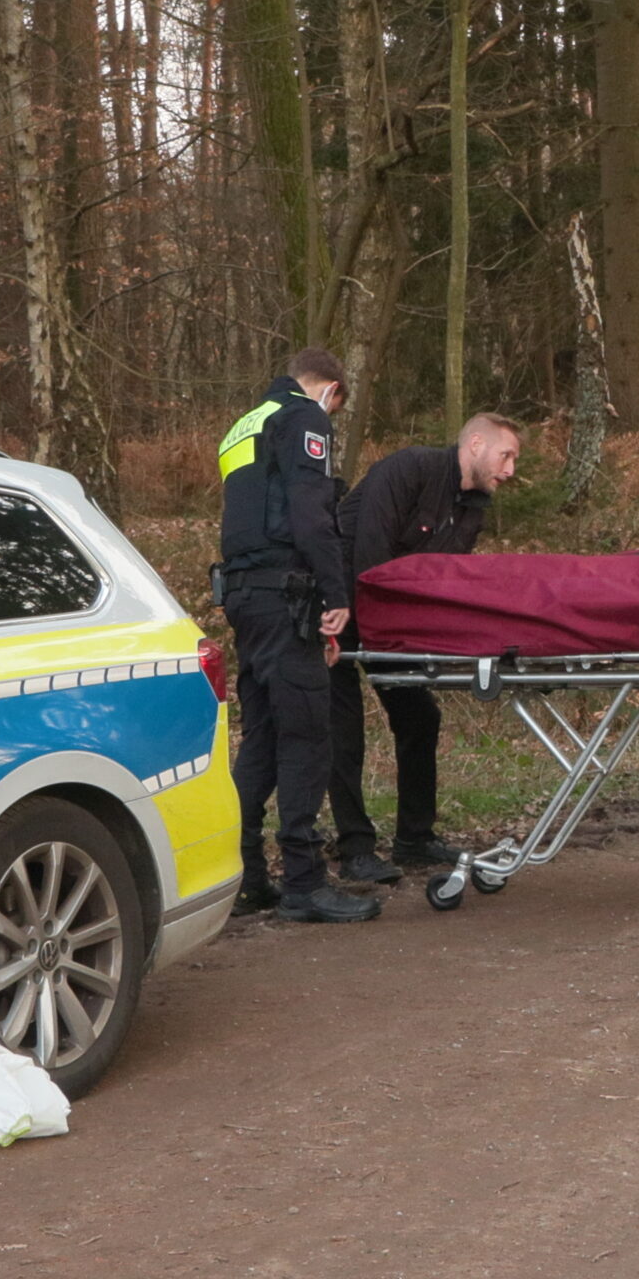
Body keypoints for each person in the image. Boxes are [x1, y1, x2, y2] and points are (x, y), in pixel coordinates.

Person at [215, 347, 380, 924]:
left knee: (261, 733)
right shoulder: (305, 415)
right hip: (285, 595)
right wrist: (336, 596)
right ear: (329, 390)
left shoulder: (245, 423)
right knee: (309, 731)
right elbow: (312, 512)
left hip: (242, 594)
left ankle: (244, 876)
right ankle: (304, 883)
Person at [326, 412, 523, 884]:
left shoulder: (473, 506)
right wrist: (381, 634)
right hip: (339, 608)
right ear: (475, 444)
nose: (511, 470)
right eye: (506, 455)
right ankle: (355, 848)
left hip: (392, 620)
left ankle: (414, 838)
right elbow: (369, 556)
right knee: (343, 728)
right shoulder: (408, 470)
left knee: (419, 716)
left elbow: (447, 581)